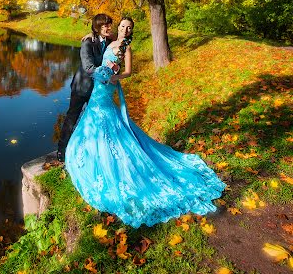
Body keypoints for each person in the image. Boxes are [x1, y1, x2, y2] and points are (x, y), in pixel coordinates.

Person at [65, 17, 226, 228]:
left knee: (105, 117)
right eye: (121, 26)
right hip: (98, 86)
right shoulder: (112, 39)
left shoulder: (126, 49)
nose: (123, 29)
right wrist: (90, 36)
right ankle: (88, 151)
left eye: (127, 27)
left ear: (131, 31)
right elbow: (100, 39)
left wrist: (115, 76)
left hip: (107, 85)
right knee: (94, 118)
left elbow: (128, 72)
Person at [57, 13, 119, 162]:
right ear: (97, 28)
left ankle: (93, 150)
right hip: (82, 88)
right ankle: (62, 150)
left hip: (99, 90)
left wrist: (116, 68)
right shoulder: (88, 43)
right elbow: (89, 67)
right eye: (105, 26)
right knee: (72, 117)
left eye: (109, 24)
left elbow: (122, 41)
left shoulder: (111, 40)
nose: (109, 27)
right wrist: (107, 72)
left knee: (96, 119)